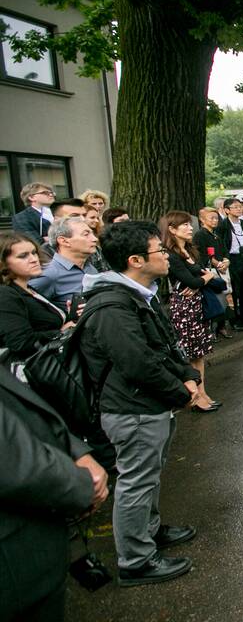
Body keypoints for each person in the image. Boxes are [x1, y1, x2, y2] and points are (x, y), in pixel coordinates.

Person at [81, 221, 203, 586]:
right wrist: (180, 391)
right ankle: (136, 559)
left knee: (149, 476)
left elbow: (162, 345)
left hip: (148, 405)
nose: (166, 256)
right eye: (158, 251)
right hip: (131, 408)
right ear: (135, 260)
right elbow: (137, 362)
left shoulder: (139, 294)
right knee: (136, 481)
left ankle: (149, 531)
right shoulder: (112, 305)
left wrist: (187, 373)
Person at [0, 365, 107, 622]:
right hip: (15, 572)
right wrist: (80, 485)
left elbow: (19, 407)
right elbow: (11, 458)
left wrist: (76, 450)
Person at [160, 211, 219, 413]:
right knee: (190, 353)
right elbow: (192, 281)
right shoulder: (170, 254)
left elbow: (207, 277)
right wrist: (205, 278)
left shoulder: (191, 251)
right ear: (172, 229)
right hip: (185, 308)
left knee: (199, 354)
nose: (190, 228)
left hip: (198, 305)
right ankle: (195, 397)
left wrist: (204, 279)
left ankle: (203, 392)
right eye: (184, 225)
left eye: (190, 224)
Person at [0, 233, 68, 361]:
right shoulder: (5, 294)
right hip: (39, 369)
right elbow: (21, 342)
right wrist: (60, 332)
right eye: (23, 256)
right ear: (3, 263)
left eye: (34, 252)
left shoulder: (29, 288)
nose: (34, 259)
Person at [29, 216, 98, 308]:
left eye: (92, 234)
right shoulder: (49, 274)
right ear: (64, 241)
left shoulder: (90, 268)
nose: (94, 239)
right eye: (86, 234)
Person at [217, 198, 243, 330]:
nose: (239, 209)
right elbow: (221, 244)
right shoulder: (223, 225)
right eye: (235, 207)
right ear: (227, 210)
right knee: (234, 291)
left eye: (240, 206)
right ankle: (235, 320)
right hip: (232, 260)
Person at [193, 207, 233, 340]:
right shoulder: (200, 235)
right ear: (202, 220)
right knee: (215, 299)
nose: (215, 220)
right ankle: (212, 328)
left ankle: (222, 326)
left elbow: (225, 250)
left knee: (225, 299)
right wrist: (216, 263)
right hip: (210, 270)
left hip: (222, 269)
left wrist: (226, 261)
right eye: (212, 218)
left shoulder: (216, 234)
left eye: (216, 218)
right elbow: (202, 254)